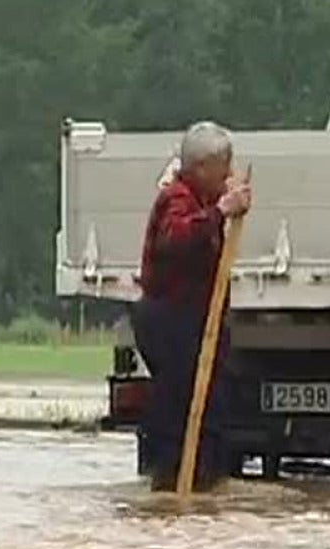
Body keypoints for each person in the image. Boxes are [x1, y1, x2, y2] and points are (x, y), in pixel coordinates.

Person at [132, 121, 252, 492]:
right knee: (179, 408)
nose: (229, 173)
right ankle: (173, 484)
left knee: (212, 407)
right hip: (171, 320)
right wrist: (221, 211)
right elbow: (177, 238)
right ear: (201, 168)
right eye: (223, 165)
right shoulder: (177, 198)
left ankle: (206, 482)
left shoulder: (198, 198)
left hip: (196, 319)